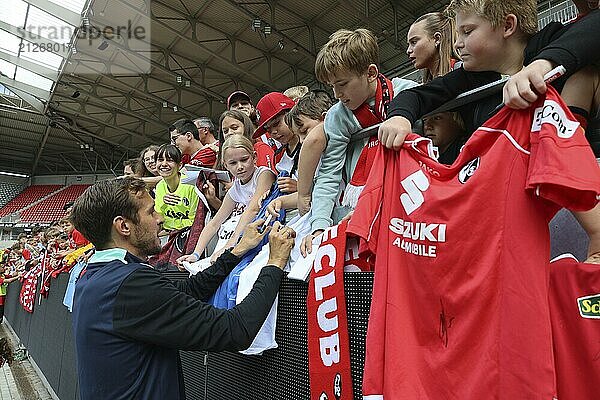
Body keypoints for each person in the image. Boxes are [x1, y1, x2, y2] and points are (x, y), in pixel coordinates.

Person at [70, 176, 295, 400]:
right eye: (150, 212)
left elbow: (188, 290)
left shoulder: (95, 276)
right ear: (124, 226)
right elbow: (236, 329)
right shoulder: (130, 284)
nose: (159, 219)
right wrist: (274, 263)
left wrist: (238, 250)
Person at [378, 0, 600, 150]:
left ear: (507, 25)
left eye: (467, 31)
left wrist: (543, 64)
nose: (457, 44)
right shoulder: (468, 78)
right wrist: (399, 117)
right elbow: (416, 95)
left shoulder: (549, 41)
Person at [301, 28, 418, 255]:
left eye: (342, 84)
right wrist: (320, 226)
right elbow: (329, 174)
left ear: (371, 73)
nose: (336, 94)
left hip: (405, 204)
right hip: (352, 213)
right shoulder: (337, 115)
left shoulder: (408, 93)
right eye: (331, 86)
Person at [178, 135, 276, 265]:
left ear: (254, 157)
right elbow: (214, 223)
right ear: (225, 165)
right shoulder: (235, 188)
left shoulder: (264, 174)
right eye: (233, 163)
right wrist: (195, 254)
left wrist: (230, 245)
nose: (240, 166)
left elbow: (253, 209)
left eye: (244, 159)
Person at [406, 11, 467, 163]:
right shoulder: (425, 84)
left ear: (437, 39)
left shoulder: (462, 70)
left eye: (414, 42)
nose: (408, 50)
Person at [153, 144, 200, 234]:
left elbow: (193, 221)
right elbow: (158, 218)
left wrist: (169, 227)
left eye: (170, 160)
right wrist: (164, 203)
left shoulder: (191, 186)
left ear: (180, 165)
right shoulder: (159, 186)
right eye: (160, 160)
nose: (164, 164)